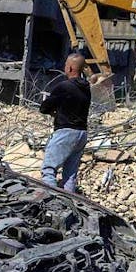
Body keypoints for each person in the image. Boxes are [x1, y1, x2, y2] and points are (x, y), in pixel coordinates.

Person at [39, 53, 91, 193]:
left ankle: (50, 201)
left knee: (49, 169)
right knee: (70, 174)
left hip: (66, 132)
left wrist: (53, 111)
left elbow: (44, 107)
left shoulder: (64, 86)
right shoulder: (86, 88)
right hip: (81, 133)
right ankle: (69, 201)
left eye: (66, 65)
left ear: (70, 68)